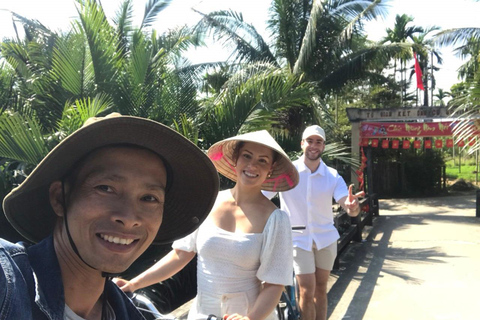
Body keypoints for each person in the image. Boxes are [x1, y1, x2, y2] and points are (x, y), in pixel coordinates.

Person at [0, 113, 219, 320]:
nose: (129, 217)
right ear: (60, 198)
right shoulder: (9, 282)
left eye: (149, 198)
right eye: (105, 188)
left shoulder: (127, 313)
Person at [116, 130, 300, 320]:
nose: (252, 165)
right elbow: (181, 254)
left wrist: (250, 318)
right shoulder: (208, 202)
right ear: (236, 159)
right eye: (247, 156)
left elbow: (274, 284)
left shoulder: (276, 219)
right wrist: (133, 284)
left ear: (270, 168)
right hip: (201, 313)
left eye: (262, 160)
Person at [264, 125, 365, 320]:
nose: (313, 145)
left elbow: (346, 201)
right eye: (309, 141)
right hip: (297, 238)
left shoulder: (332, 176)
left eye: (318, 141)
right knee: (307, 290)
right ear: (302, 144)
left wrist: (352, 207)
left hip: (325, 239)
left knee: (321, 287)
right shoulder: (287, 172)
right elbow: (262, 195)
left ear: (323, 146)